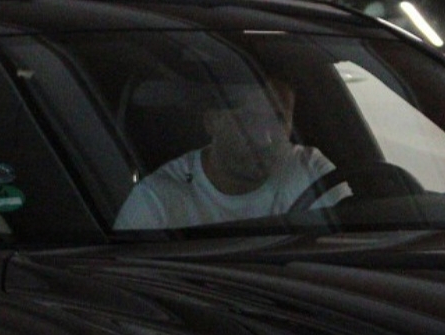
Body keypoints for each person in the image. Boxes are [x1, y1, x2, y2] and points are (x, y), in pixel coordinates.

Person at [115, 74, 338, 231]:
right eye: (249, 119)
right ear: (212, 122)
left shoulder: (309, 171)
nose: (266, 137)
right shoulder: (157, 204)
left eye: (278, 119)